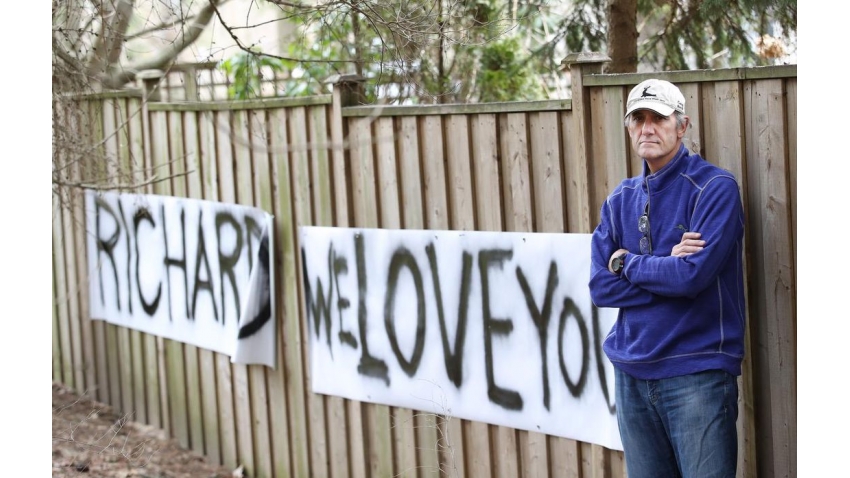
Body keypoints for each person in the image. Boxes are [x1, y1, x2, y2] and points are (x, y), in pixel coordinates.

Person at [588, 78, 746, 478]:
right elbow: (600, 287)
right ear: (628, 128)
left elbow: (691, 277)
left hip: (696, 373)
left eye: (658, 117)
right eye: (637, 119)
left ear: (682, 125)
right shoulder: (619, 199)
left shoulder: (714, 188)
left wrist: (628, 262)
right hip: (631, 372)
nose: (647, 128)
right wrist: (665, 265)